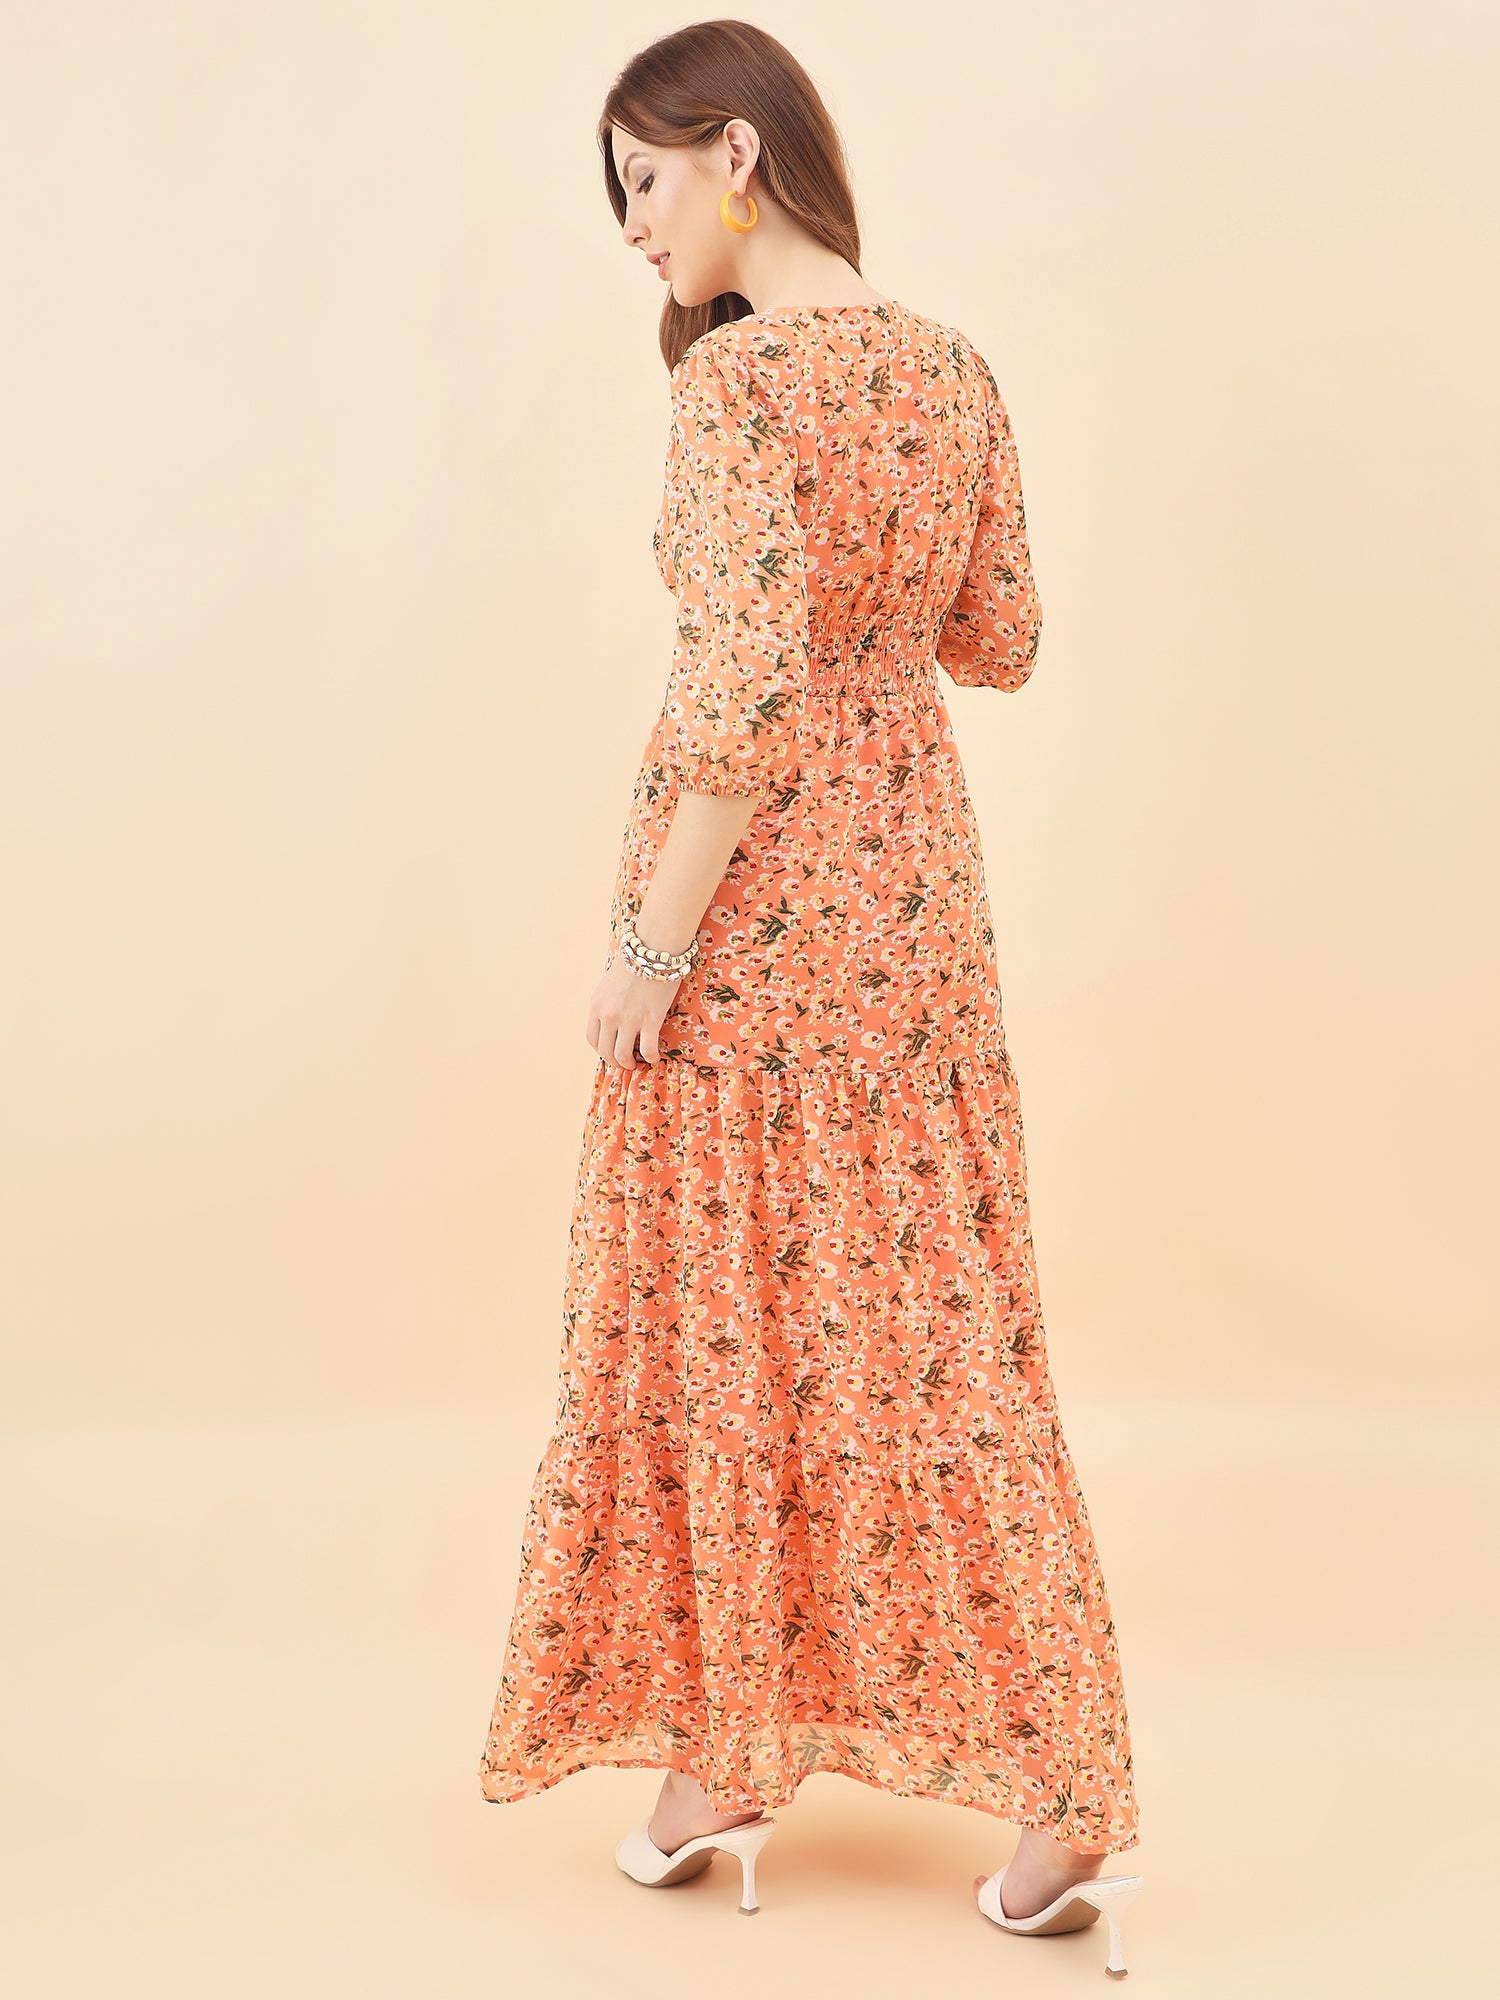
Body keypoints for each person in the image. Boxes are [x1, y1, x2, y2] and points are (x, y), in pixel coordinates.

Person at [477, 20, 1144, 1973]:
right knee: (941, 1343)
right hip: (920, 920)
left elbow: (742, 701)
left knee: (725, 1325)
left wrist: (647, 950)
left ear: (740, 154)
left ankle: (725, 1758)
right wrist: (885, 608)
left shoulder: (739, 393)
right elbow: (998, 638)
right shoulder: (955, 370)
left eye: (647, 181)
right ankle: (1053, 1775)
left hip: (760, 937)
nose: (632, 229)